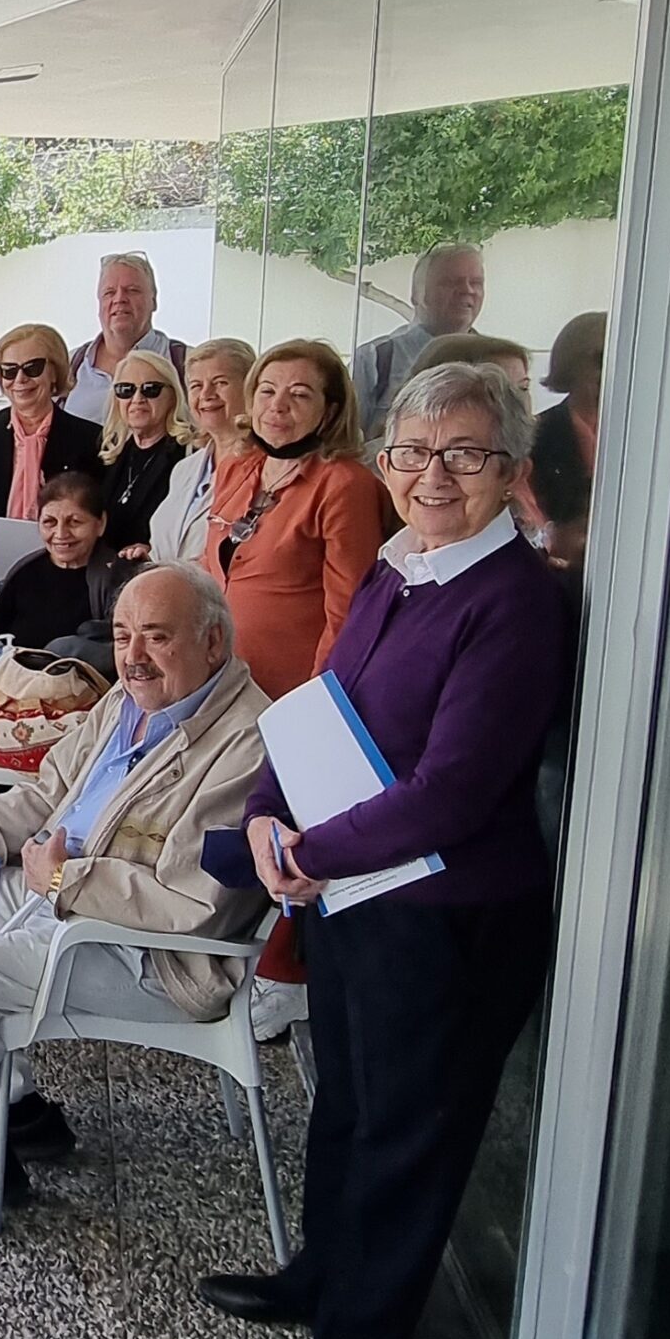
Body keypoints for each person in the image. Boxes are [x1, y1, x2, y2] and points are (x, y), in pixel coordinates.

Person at [206, 362, 566, 1339]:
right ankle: (320, 1276)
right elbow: (327, 700)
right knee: (349, 1104)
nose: (432, 475)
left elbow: (453, 790)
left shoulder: (513, 603)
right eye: (411, 452)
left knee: (411, 1133)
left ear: (510, 469)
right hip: (354, 891)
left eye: (464, 454)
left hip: (447, 915)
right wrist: (267, 813)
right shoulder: (398, 568)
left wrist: (307, 848)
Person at [0, 562, 270, 1223]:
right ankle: (14, 1107)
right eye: (123, 635)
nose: (133, 657)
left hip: (149, 954)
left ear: (213, 642)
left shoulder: (246, 742)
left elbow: (191, 906)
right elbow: (48, 793)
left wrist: (65, 881)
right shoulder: (127, 702)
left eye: (157, 637)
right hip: (58, 894)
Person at [202, 339, 383, 1034]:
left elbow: (349, 609)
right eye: (268, 391)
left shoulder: (344, 485)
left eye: (300, 394)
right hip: (225, 685)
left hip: (290, 695)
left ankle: (285, 973)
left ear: (330, 409)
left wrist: (312, 712)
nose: (279, 406)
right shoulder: (241, 468)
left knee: (285, 825)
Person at [0, 323, 105, 619]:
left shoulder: (90, 440)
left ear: (54, 371)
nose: (20, 379)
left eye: (33, 368)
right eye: (9, 370)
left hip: (65, 597)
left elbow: (96, 525)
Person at [350, 241, 486, 441]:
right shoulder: (375, 359)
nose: (467, 290)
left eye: (476, 282)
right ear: (416, 295)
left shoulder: (496, 361)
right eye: (451, 282)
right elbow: (346, 444)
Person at [141, 338, 253, 563]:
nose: (206, 394)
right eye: (196, 386)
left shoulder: (266, 469)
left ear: (250, 388)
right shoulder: (185, 468)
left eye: (220, 382)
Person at [0, 470, 119, 651]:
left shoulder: (116, 579)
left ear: (100, 523)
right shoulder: (24, 570)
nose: (61, 534)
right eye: (49, 522)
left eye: (74, 522)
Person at [65, 252, 189, 421]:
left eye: (132, 290)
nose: (119, 299)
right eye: (109, 292)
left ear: (154, 301)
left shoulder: (186, 364)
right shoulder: (70, 365)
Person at [529, 311, 606, 571]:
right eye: (601, 359)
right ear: (572, 362)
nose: (611, 369)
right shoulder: (537, 434)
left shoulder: (647, 437)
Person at [94, 348, 190, 555]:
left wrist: (151, 550)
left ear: (173, 396)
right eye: (126, 390)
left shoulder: (188, 456)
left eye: (150, 389)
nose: (137, 398)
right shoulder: (111, 453)